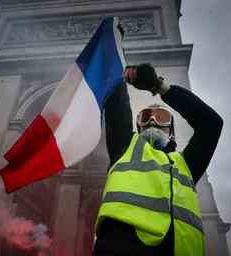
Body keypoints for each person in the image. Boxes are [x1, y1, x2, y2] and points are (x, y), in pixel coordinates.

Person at [93, 63, 223, 256]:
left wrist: (159, 87)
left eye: (160, 117)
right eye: (145, 117)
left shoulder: (186, 164)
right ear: (138, 126)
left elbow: (211, 123)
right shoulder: (125, 146)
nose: (152, 121)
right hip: (121, 247)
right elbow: (117, 104)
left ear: (171, 130)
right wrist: (118, 68)